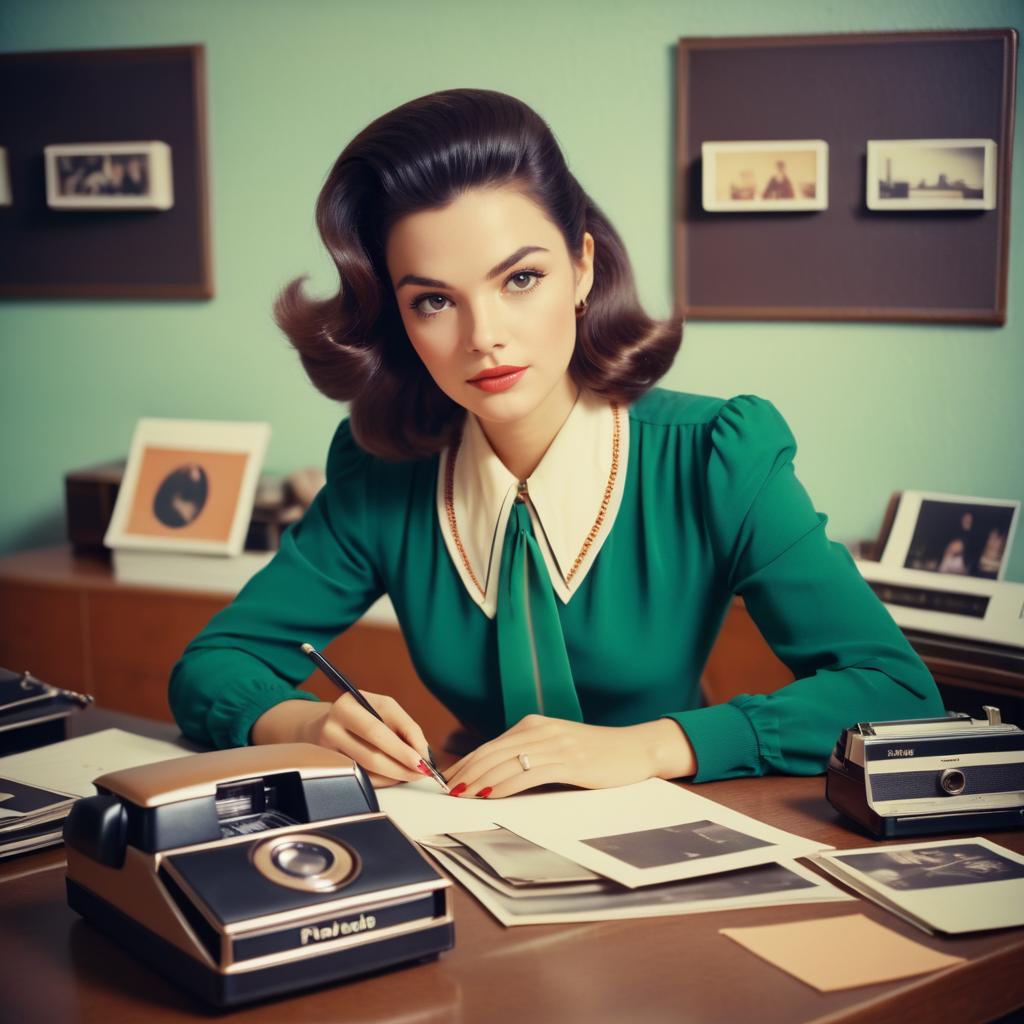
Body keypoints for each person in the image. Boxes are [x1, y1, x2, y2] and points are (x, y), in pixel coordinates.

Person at [169, 88, 943, 799]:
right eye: (434, 300)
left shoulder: (716, 454)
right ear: (400, 321)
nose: (484, 338)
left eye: (520, 280)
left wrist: (652, 746)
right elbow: (211, 665)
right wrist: (307, 723)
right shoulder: (382, 477)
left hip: (680, 831)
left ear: (581, 267)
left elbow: (895, 690)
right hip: (466, 832)